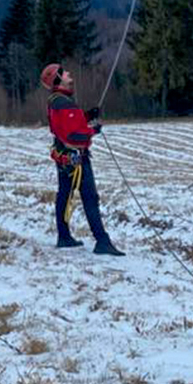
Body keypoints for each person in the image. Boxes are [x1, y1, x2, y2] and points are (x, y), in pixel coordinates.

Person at [41, 64, 125, 255]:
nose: (69, 73)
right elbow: (73, 135)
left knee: (65, 195)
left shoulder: (58, 101)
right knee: (90, 197)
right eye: (64, 73)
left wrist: (88, 116)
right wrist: (93, 130)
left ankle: (64, 236)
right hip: (75, 158)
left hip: (64, 156)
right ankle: (102, 241)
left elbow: (70, 124)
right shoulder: (64, 103)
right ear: (58, 80)